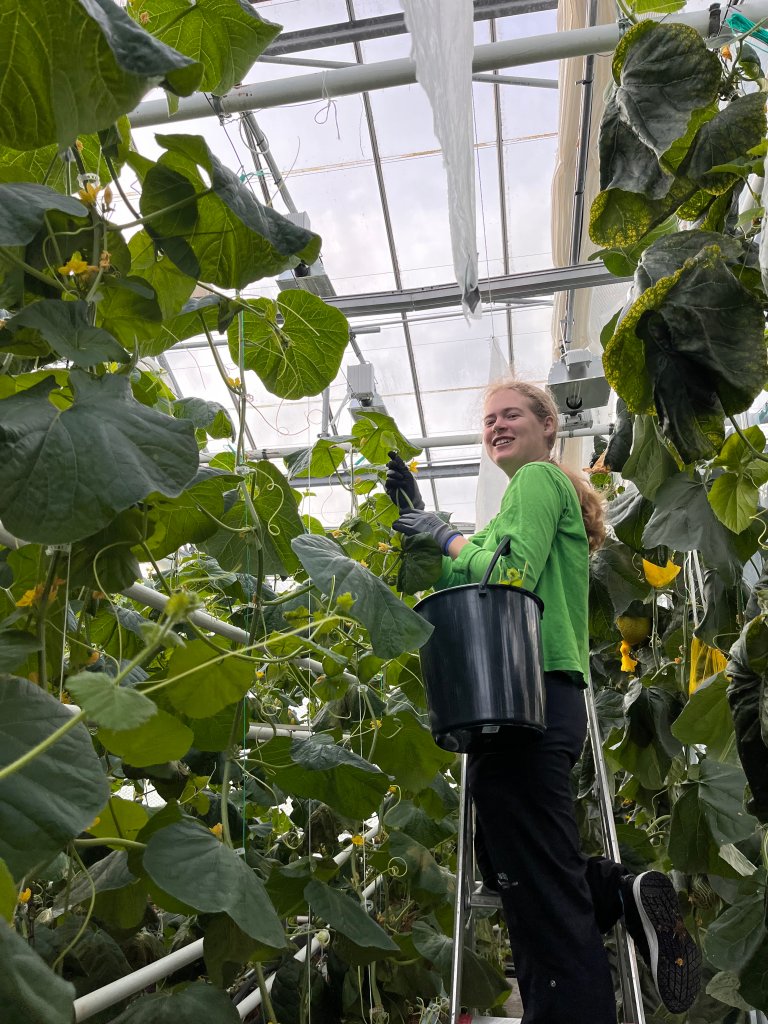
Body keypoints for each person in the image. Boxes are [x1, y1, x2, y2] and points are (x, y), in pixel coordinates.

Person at [385, 379, 701, 1024]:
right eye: (488, 419)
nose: (496, 426)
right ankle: (621, 893)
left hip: (521, 695)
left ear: (548, 425)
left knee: (542, 902)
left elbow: (505, 575)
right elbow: (474, 569)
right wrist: (422, 529)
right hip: (530, 697)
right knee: (514, 864)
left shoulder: (537, 481)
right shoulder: (522, 500)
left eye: (512, 415)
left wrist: (443, 535)